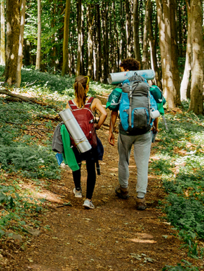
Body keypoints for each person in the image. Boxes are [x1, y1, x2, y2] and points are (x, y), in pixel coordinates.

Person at [107, 58, 153, 210]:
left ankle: (124, 189)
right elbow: (156, 107)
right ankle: (141, 198)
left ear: (125, 70)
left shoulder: (120, 88)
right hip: (145, 131)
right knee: (142, 165)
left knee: (123, 159)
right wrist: (154, 127)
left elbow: (113, 110)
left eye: (121, 70)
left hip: (126, 131)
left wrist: (111, 131)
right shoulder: (147, 86)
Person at [64, 75, 108, 209]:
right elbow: (104, 114)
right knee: (90, 168)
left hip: (75, 141)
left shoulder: (70, 103)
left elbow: (66, 122)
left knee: (76, 164)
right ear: (87, 87)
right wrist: (97, 125)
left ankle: (78, 189)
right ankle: (88, 200)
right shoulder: (93, 101)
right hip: (89, 141)